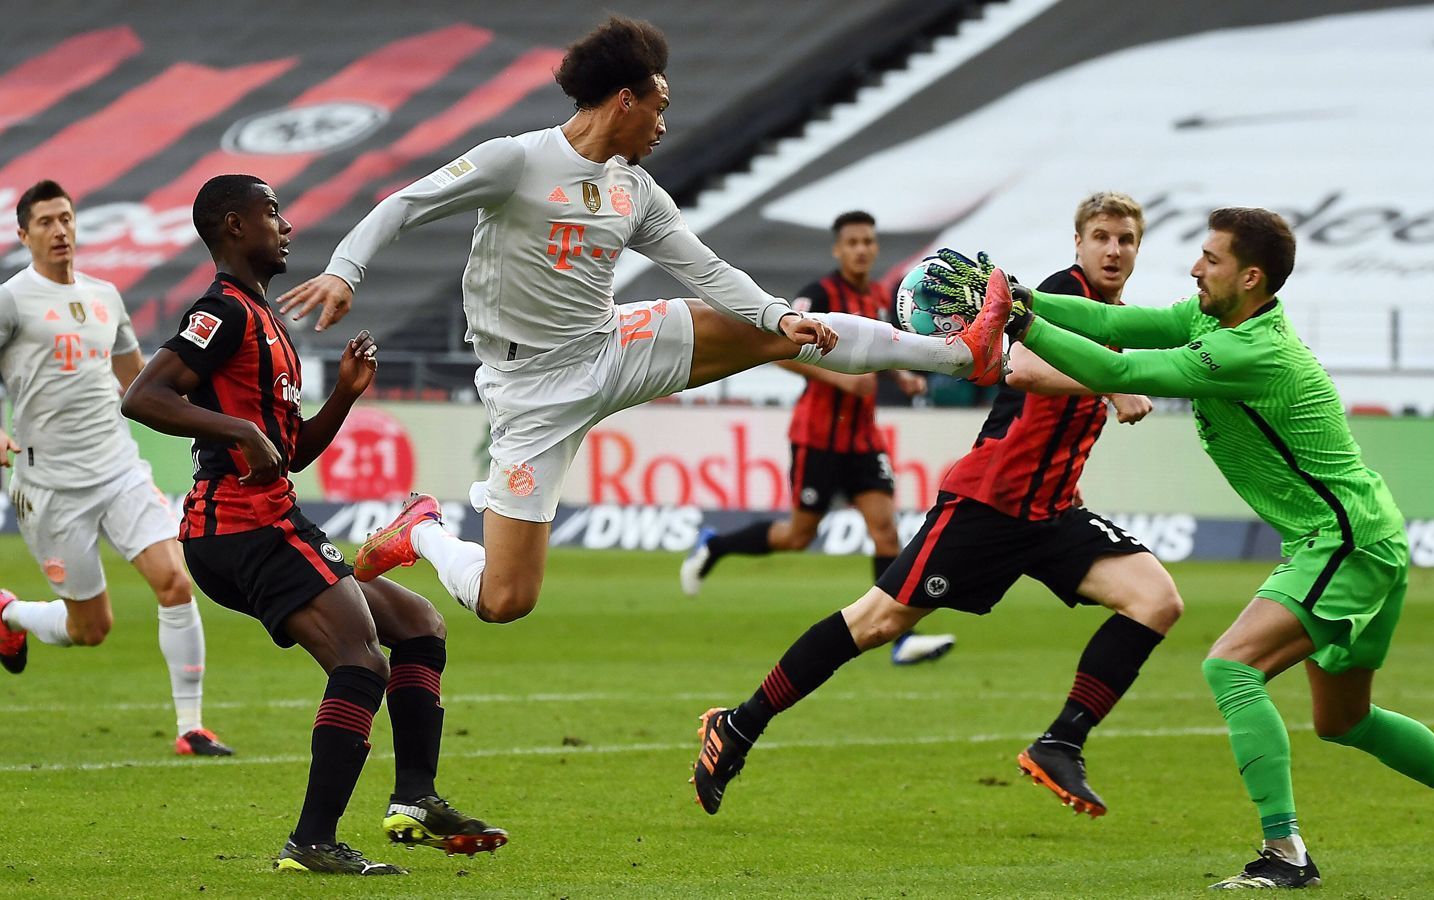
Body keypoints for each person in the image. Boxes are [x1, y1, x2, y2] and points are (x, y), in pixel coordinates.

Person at [276, 16, 1008, 626]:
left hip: (616, 342)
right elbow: (406, 202)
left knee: (777, 333)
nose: (665, 123)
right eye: (659, 106)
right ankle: (424, 530)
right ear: (624, 100)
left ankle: (959, 354)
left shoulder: (637, 191)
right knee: (506, 601)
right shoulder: (517, 162)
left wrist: (778, 315)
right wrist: (346, 270)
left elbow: (705, 270)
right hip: (530, 390)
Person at [962, 207, 1434, 888]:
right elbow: (1114, 324)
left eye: (1210, 259)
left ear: (1251, 276)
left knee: (1231, 667)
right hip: (1360, 534)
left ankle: (1285, 854)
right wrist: (1021, 293)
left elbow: (1115, 364)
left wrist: (1020, 323)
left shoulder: (1250, 352)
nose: (1194, 268)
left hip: (1344, 541)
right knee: (1344, 720)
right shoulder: (1218, 318)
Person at [692, 192, 1181, 820]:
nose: (1114, 250)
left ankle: (1061, 742)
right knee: (877, 624)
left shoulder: (1118, 318)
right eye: (1103, 237)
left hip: (1053, 512)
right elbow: (1025, 369)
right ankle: (737, 726)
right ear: (1080, 243)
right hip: (991, 504)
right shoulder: (1063, 291)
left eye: (1127, 240)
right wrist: (1118, 384)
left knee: (1157, 600)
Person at [122, 175, 505, 875]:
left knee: (420, 623)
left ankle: (415, 797)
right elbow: (142, 396)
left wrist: (345, 399)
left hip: (270, 518)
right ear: (234, 227)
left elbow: (288, 448)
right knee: (360, 663)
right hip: (236, 526)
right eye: (272, 213)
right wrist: (236, 428)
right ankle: (311, 842)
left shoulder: (267, 322)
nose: (286, 225)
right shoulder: (222, 312)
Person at [0, 180, 229, 756]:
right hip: (49, 486)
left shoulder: (105, 296)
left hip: (119, 469)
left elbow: (139, 383)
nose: (60, 231)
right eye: (47, 222)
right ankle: (11, 614)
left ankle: (191, 727)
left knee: (175, 582)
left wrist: (209, 414)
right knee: (90, 630)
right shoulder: (11, 300)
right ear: (24, 234)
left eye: (67, 219)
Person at [679, 210, 955, 665]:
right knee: (797, 536)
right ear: (838, 249)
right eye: (853, 242)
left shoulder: (883, 297)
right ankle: (715, 544)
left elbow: (880, 350)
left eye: (868, 241)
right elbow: (778, 349)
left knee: (886, 531)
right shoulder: (818, 294)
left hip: (863, 438)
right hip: (819, 435)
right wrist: (842, 381)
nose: (861, 249)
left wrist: (901, 375)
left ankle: (900, 639)